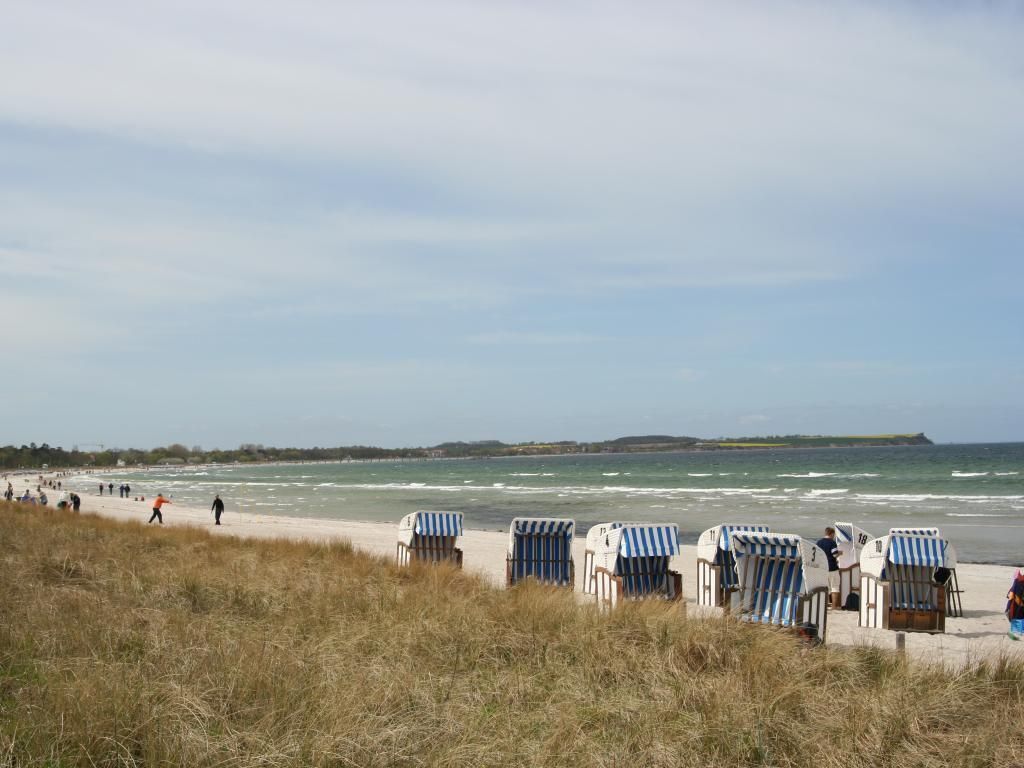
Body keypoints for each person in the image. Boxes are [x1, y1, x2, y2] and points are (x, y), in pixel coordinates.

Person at [816, 526, 841, 609]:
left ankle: (825, 605)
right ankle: (834, 606)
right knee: (835, 586)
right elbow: (834, 554)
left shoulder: (818, 542)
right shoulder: (832, 542)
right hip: (832, 567)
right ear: (832, 534)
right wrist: (840, 553)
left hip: (822, 568)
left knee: (825, 587)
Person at [1007, 569, 1024, 640]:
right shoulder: (1019, 582)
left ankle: (1016, 631)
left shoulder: (1016, 582)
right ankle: (1019, 631)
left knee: (1016, 616)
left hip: (1015, 604)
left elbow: (1010, 595)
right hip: (1018, 603)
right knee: (1020, 617)